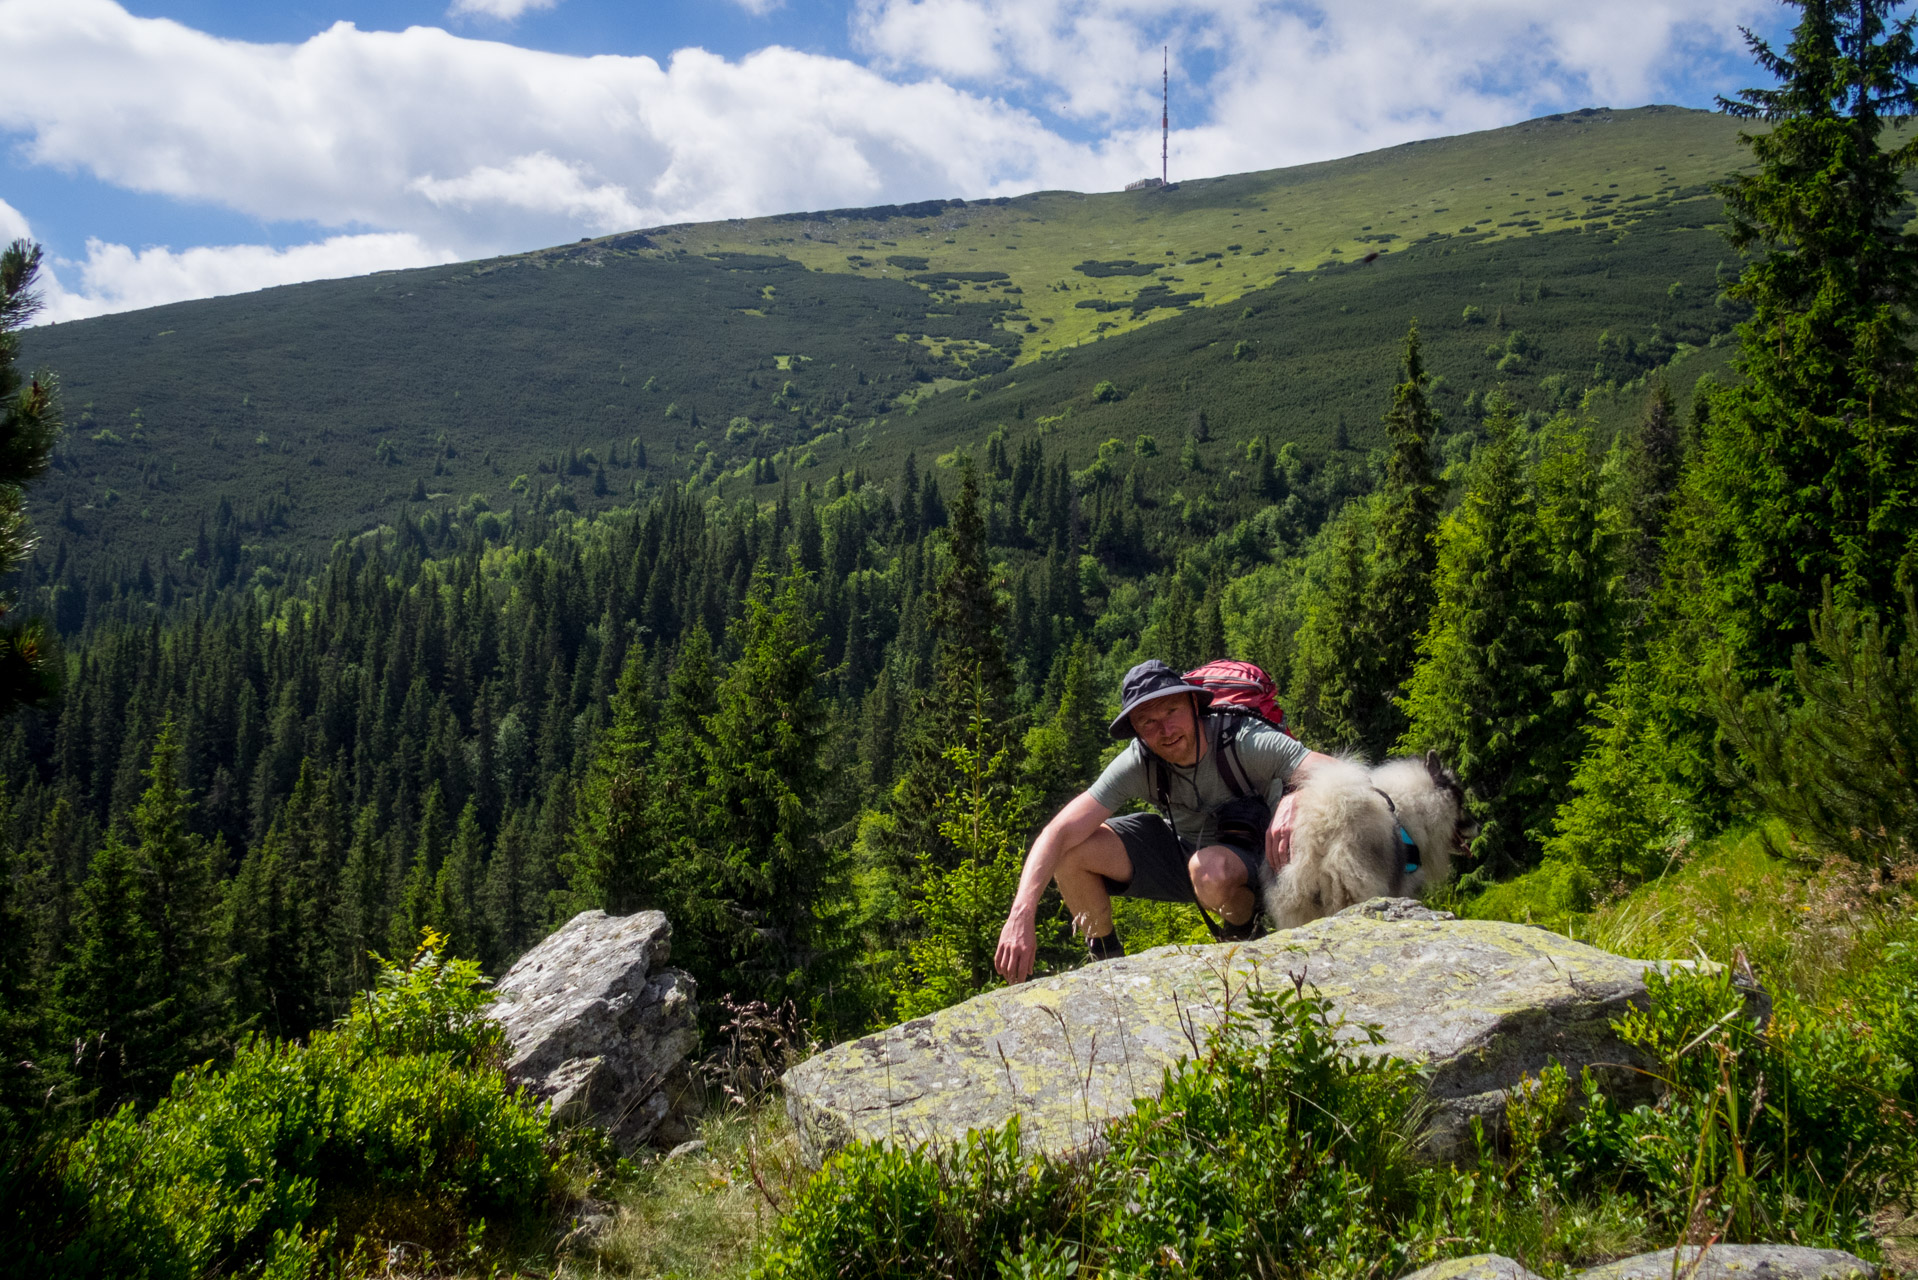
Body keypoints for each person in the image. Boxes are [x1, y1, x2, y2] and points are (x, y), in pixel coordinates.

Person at [993, 658, 1338, 985]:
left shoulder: (1241, 739)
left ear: (1193, 705)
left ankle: (1245, 941)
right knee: (1071, 852)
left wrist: (1295, 794)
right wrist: (1021, 914)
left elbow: (1335, 770)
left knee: (1209, 869)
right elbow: (1058, 831)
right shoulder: (1139, 763)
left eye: (1172, 711)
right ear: (1138, 732)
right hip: (1185, 853)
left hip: (1262, 858)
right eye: (1148, 722)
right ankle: (1106, 972)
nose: (1166, 730)